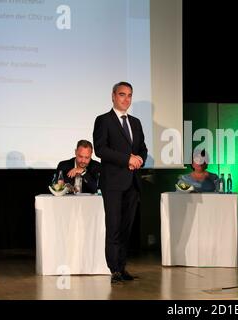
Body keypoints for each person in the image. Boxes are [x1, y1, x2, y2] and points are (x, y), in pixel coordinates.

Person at [93, 81, 148, 284]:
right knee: (114, 227)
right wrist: (127, 159)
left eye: (130, 95)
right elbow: (101, 150)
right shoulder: (103, 120)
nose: (126, 99)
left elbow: (142, 148)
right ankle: (114, 269)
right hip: (114, 183)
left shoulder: (136, 122)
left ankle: (122, 267)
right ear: (113, 96)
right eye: (122, 94)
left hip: (132, 182)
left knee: (126, 228)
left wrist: (139, 159)